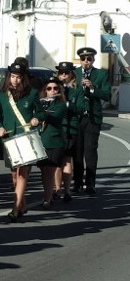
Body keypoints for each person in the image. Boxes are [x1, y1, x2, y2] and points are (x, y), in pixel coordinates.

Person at [0, 61, 42, 222]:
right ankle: (23, 204)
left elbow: (41, 113)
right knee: (15, 175)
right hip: (9, 138)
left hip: (26, 137)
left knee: (22, 173)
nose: (15, 80)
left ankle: (15, 207)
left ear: (23, 78)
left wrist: (36, 118)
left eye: (18, 77)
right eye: (13, 76)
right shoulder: (2, 95)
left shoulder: (32, 94)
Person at [73, 47, 111, 194]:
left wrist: (93, 88)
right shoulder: (74, 74)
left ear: (93, 60)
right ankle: (77, 183)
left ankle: (90, 184)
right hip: (77, 118)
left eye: (89, 59)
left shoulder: (101, 74)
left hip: (92, 118)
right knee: (77, 152)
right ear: (80, 60)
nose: (86, 61)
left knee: (90, 151)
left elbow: (107, 95)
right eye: (83, 59)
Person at [34, 78, 69, 210]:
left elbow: (55, 116)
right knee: (44, 171)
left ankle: (47, 199)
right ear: (45, 91)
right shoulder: (40, 103)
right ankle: (48, 194)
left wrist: (41, 113)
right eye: (49, 89)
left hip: (54, 142)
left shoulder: (60, 104)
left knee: (49, 170)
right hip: (41, 141)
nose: (52, 91)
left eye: (55, 88)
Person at [55, 62, 86, 202]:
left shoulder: (77, 90)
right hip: (56, 127)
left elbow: (80, 109)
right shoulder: (54, 88)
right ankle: (56, 190)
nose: (63, 76)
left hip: (70, 128)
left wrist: (68, 104)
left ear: (72, 74)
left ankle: (67, 191)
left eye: (66, 73)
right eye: (61, 73)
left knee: (67, 160)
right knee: (56, 161)